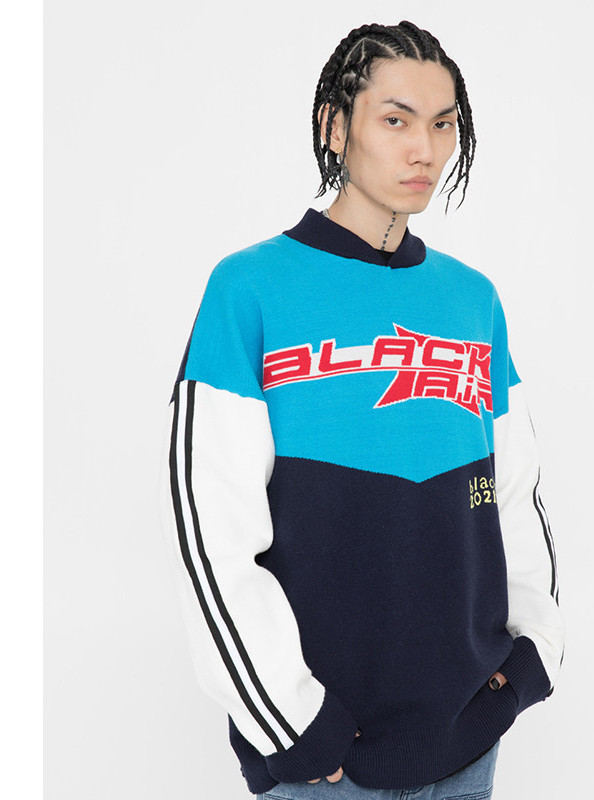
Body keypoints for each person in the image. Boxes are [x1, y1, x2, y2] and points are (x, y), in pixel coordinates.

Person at [161, 20, 565, 800]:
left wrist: (527, 661)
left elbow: (512, 495)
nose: (425, 150)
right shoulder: (249, 289)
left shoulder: (472, 300)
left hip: (466, 746)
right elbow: (208, 532)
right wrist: (293, 722)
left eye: (442, 124)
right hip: (323, 764)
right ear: (335, 126)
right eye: (396, 120)